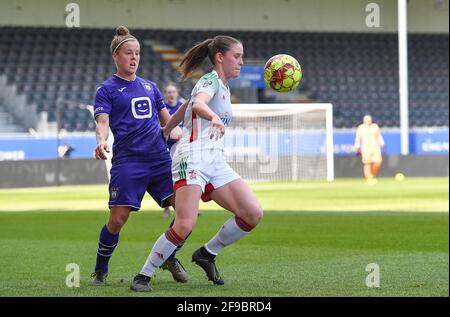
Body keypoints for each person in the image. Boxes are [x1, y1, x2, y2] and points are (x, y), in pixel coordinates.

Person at [130, 35, 263, 292]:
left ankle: (207, 253)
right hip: (192, 157)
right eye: (237, 56)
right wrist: (212, 116)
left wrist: (167, 127)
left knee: (252, 213)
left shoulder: (222, 86)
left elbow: (188, 104)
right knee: (185, 223)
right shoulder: (210, 80)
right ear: (220, 57)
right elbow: (199, 103)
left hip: (215, 161)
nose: (241, 62)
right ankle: (143, 276)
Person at [91, 25, 188, 286]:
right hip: (128, 162)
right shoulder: (106, 90)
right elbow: (102, 122)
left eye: (137, 53)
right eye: (128, 53)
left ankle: (169, 256)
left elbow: (168, 125)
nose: (134, 58)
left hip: (159, 161)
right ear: (116, 57)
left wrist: (181, 131)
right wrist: (101, 142)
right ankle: (101, 269)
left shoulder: (150, 87)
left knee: (185, 213)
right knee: (117, 220)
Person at [161, 83, 184, 218]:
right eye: (169, 92)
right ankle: (167, 207)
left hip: (181, 147)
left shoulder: (182, 106)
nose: (171, 94)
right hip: (166, 147)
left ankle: (190, 206)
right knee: (168, 177)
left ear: (177, 93)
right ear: (165, 94)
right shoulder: (161, 109)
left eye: (173, 92)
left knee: (185, 175)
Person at [354, 114, 385, 184]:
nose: (368, 120)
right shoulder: (361, 128)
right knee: (367, 162)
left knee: (378, 162)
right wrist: (357, 146)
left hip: (375, 146)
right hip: (366, 147)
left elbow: (379, 136)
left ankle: (372, 174)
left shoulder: (375, 126)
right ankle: (369, 178)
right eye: (366, 119)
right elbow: (358, 138)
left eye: (369, 119)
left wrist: (382, 143)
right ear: (364, 120)